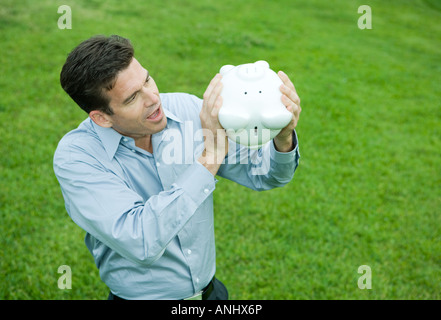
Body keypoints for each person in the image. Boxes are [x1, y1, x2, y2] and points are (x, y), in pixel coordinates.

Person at [53, 35, 301, 300]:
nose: (153, 98)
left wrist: (282, 137)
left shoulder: (186, 110)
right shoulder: (77, 157)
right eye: (132, 98)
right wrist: (210, 157)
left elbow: (265, 175)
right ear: (101, 117)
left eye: (147, 80)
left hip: (212, 294)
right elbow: (141, 241)